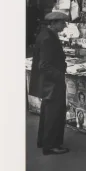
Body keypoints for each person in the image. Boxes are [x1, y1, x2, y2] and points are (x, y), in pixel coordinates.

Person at [30, 12, 70, 155]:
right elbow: (44, 65)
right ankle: (52, 146)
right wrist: (59, 75)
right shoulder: (48, 38)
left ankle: (45, 142)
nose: (64, 26)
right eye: (62, 23)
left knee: (48, 114)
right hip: (52, 84)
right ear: (53, 24)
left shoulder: (46, 34)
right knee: (54, 114)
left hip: (48, 84)